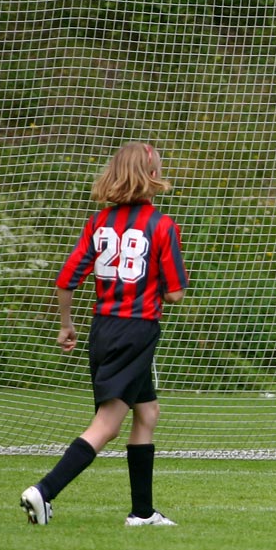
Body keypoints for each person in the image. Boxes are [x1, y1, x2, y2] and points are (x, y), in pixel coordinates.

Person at [20, 141, 189, 527]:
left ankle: (142, 513)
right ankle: (43, 491)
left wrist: (67, 324)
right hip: (137, 330)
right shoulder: (162, 225)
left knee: (147, 412)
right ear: (150, 176)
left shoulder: (99, 222)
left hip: (103, 328)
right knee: (107, 425)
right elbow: (176, 293)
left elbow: (66, 281)